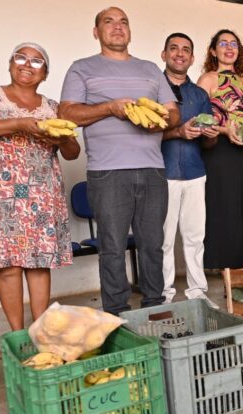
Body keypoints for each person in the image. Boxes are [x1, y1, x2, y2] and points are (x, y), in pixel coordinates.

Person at [59, 6, 179, 314]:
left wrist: (160, 122)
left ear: (130, 31)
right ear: (96, 32)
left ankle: (156, 308)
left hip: (152, 169)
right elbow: (67, 113)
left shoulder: (151, 69)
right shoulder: (81, 68)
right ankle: (116, 313)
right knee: (111, 247)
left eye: (123, 21)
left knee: (152, 244)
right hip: (107, 172)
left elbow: (173, 111)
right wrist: (109, 108)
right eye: (108, 22)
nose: (117, 27)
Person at [0, 42, 80, 332]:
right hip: (0, 195)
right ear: (10, 64)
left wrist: (60, 138)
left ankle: (39, 331)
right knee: (8, 267)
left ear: (45, 73)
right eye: (21, 57)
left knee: (39, 265)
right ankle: (17, 334)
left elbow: (73, 152)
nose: (27, 64)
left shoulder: (53, 108)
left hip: (41, 194)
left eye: (36, 61)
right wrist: (20, 123)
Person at [197, 29, 243, 268]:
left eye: (233, 43)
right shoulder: (208, 79)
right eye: (223, 44)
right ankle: (226, 265)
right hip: (218, 150)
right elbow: (199, 117)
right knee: (224, 206)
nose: (229, 48)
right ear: (213, 51)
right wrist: (226, 130)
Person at [159, 32, 219, 302]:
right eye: (174, 49)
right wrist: (178, 133)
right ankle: (164, 294)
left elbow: (209, 144)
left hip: (196, 173)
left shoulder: (199, 95)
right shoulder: (152, 89)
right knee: (164, 240)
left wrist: (212, 135)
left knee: (195, 238)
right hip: (162, 174)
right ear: (164, 54)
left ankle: (197, 292)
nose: (180, 54)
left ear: (192, 58)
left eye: (186, 50)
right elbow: (142, 134)